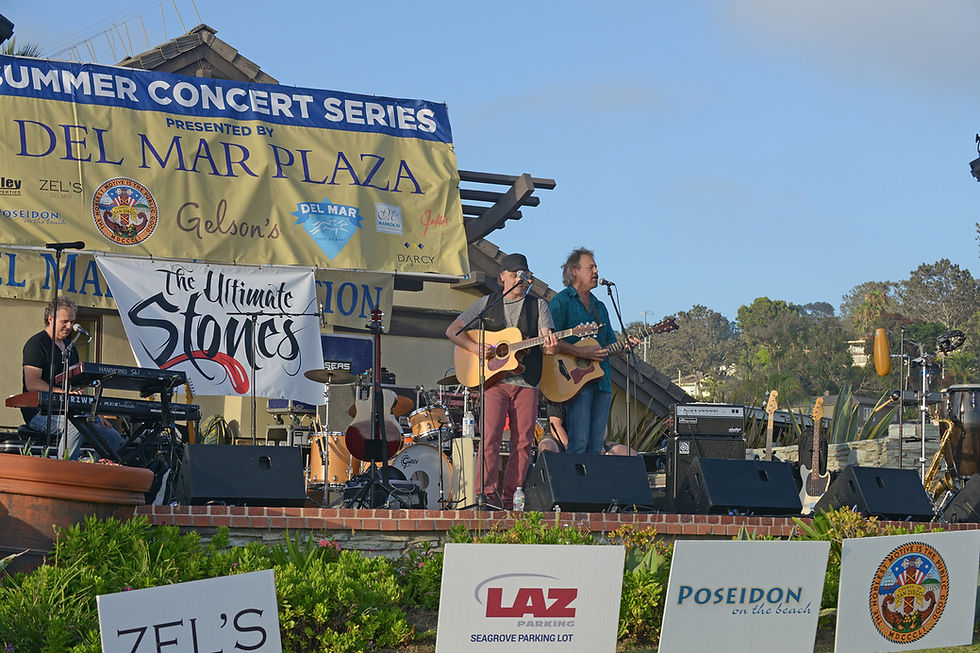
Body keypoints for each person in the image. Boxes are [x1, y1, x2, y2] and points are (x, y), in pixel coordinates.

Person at [446, 253, 558, 509]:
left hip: (527, 382)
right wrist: (475, 348)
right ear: (503, 277)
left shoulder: (538, 306)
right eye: (516, 273)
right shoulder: (487, 303)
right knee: (490, 438)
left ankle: (511, 500)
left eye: (524, 273)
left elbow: (548, 343)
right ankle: (483, 496)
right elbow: (452, 331)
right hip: (493, 382)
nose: (521, 277)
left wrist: (551, 346)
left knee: (522, 442)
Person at [549, 247, 637, 454]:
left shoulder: (600, 306)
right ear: (574, 272)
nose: (596, 271)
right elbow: (549, 341)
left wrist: (624, 347)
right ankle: (574, 485)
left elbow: (608, 345)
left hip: (602, 381)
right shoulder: (561, 301)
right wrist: (581, 353)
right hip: (575, 380)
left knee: (596, 445)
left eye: (596, 267)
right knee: (578, 443)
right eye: (591, 267)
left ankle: (590, 485)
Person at [22, 297, 123, 460]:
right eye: (65, 321)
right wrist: (63, 392)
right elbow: (32, 383)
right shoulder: (36, 344)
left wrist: (94, 413)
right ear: (50, 319)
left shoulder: (71, 348)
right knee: (75, 425)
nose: (70, 326)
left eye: (72, 321)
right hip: (39, 413)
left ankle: (88, 467)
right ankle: (63, 469)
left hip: (71, 413)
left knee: (113, 437)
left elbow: (76, 387)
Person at [537, 399, 636, 456]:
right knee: (546, 446)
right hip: (560, 440)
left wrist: (598, 444)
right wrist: (572, 449)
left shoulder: (595, 392)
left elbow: (602, 425)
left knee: (628, 453)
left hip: (589, 441)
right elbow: (555, 425)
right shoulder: (559, 389)